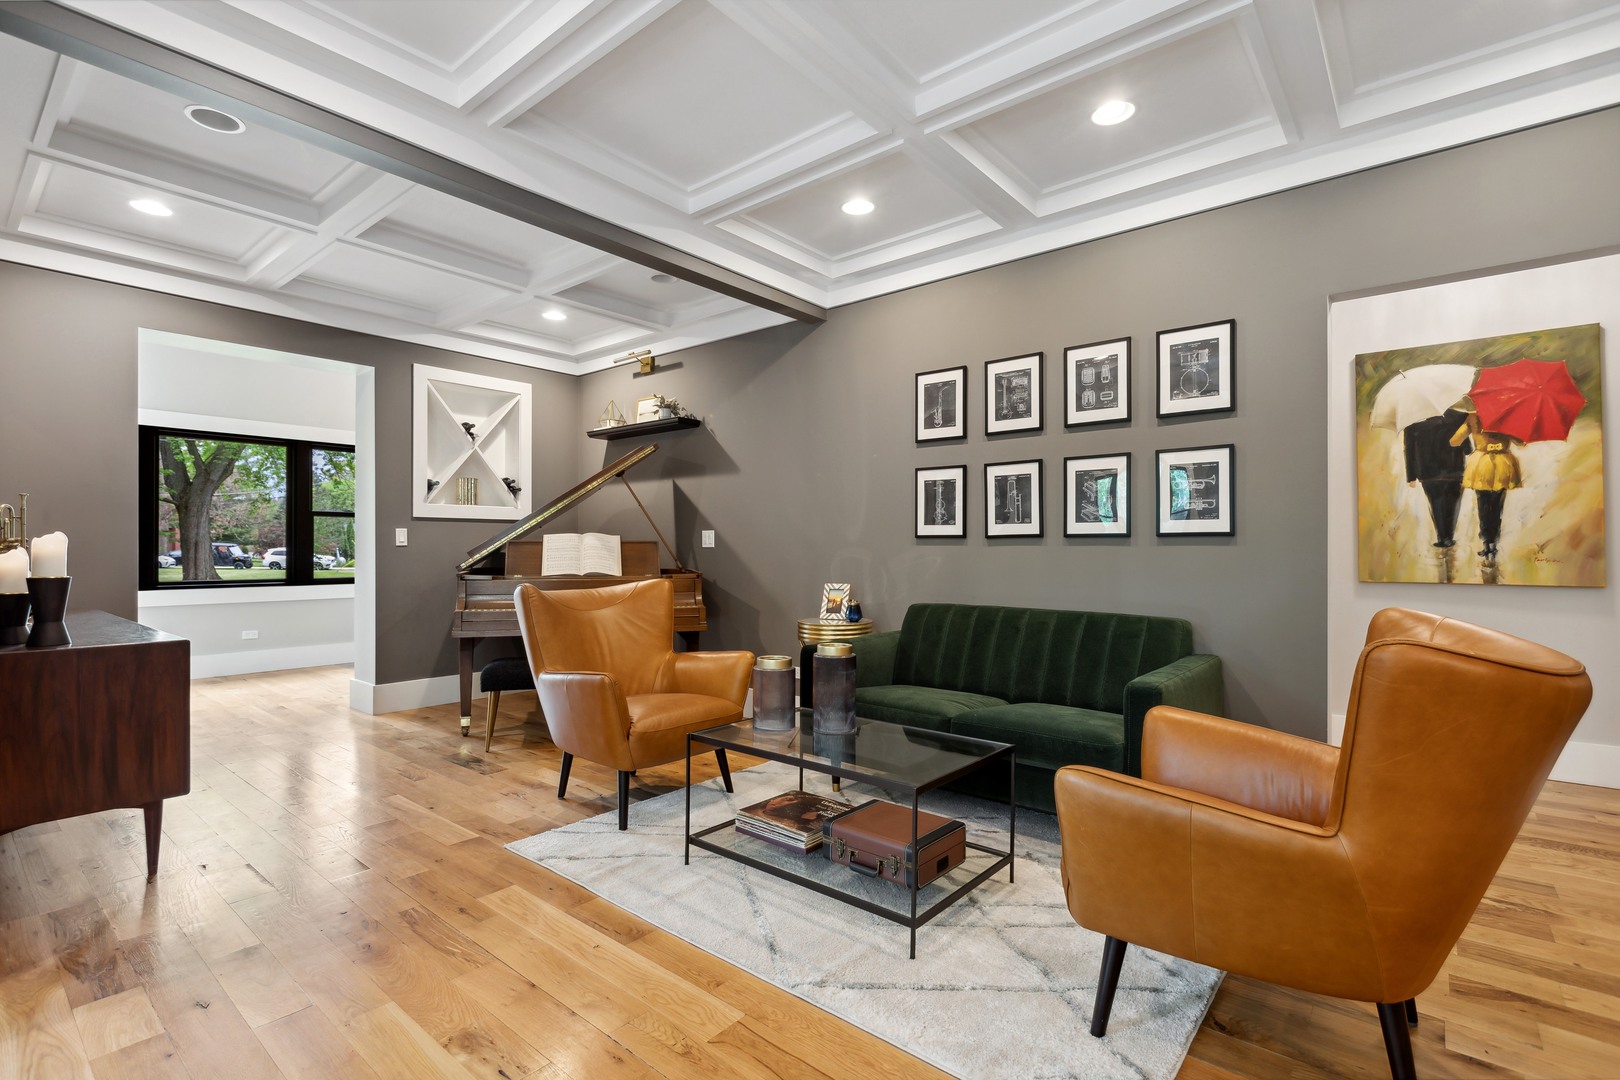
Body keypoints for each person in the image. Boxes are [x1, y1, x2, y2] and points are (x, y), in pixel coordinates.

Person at [1449, 412, 1522, 561]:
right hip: (1503, 464)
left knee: (1483, 504)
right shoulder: (1507, 416)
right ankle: (1493, 542)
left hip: (1481, 465)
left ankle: (1486, 542)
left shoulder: (1473, 417)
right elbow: (1521, 442)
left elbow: (1454, 441)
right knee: (1497, 505)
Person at [1402, 408, 1471, 548]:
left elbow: (1409, 450)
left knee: (1436, 504)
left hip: (1428, 472)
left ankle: (1442, 537)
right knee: (1453, 503)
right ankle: (1449, 537)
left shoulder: (1412, 421)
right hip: (1454, 470)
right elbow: (1467, 448)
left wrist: (1411, 476)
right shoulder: (1457, 417)